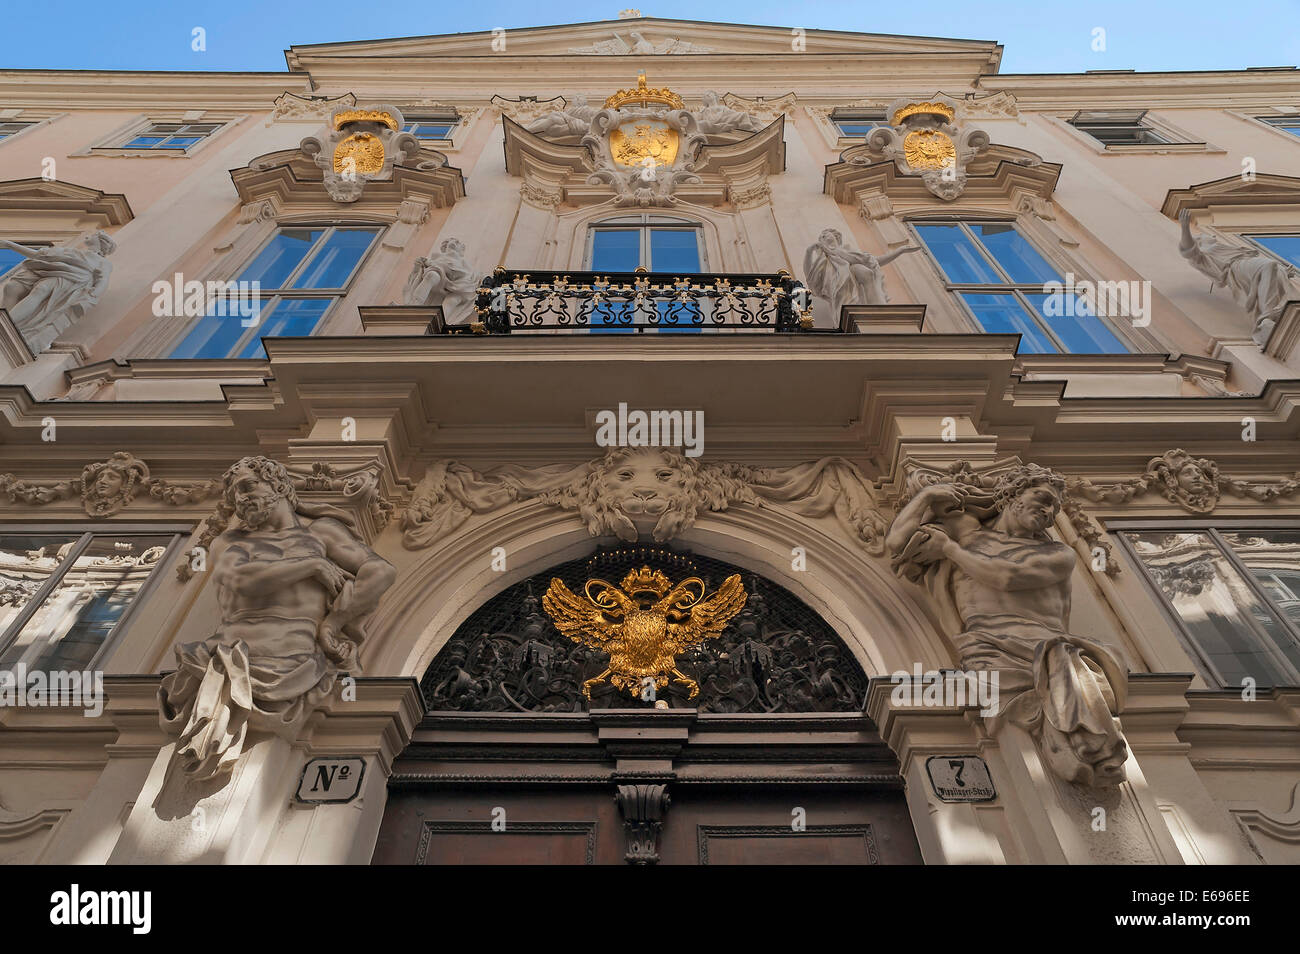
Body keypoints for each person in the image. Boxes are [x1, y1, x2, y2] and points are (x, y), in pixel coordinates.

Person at [159, 456, 395, 781]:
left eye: (247, 486)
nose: (240, 499)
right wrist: (311, 566)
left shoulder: (321, 532)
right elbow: (241, 580)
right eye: (234, 495)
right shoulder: (229, 541)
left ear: (279, 484)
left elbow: (380, 571)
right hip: (231, 660)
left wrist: (332, 624)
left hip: (298, 663)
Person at [0, 231, 115, 351]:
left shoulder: (104, 262)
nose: (87, 236)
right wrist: (10, 245)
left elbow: (103, 280)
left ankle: (9, 324)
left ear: (102, 243)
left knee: (41, 290)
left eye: (92, 236)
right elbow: (39, 255)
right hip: (52, 272)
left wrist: (91, 295)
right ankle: (6, 321)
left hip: (72, 280)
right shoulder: (72, 251)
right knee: (11, 287)